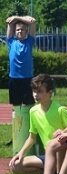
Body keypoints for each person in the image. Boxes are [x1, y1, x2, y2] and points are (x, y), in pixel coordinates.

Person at [10, 74, 67, 174]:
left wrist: (64, 132)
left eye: (39, 91)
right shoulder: (33, 111)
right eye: (34, 91)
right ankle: (51, 173)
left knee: (60, 148)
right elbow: (32, 137)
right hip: (48, 155)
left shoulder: (60, 110)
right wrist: (21, 153)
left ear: (50, 93)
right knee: (15, 166)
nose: (35, 94)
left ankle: (62, 173)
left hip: (63, 154)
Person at [6, 15, 37, 149]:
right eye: (18, 30)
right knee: (16, 106)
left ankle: (29, 135)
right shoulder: (11, 42)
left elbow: (33, 21)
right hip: (14, 79)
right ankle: (17, 135)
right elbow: (9, 22)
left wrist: (18, 18)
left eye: (22, 30)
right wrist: (15, 21)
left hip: (27, 79)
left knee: (28, 106)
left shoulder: (29, 41)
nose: (20, 32)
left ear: (26, 32)